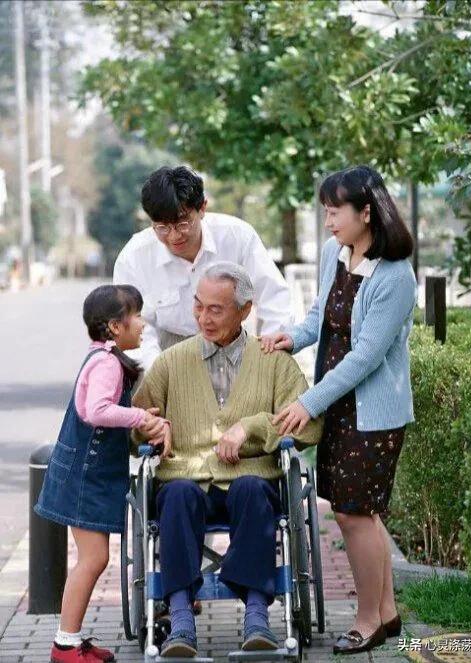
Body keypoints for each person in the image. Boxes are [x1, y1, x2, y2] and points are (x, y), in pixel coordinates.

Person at [260, 165, 417, 655]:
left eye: (334, 212)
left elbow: (367, 355)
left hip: (372, 413)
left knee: (354, 515)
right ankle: (388, 612)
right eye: (324, 212)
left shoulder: (395, 276)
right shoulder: (336, 253)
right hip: (336, 402)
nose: (327, 222)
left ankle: (368, 617)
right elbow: (319, 317)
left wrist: (308, 402)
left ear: (366, 212)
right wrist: (294, 336)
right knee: (360, 513)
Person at [132, 262, 323, 659]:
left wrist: (252, 427)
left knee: (253, 489)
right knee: (179, 494)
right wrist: (153, 426)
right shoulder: (171, 361)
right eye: (198, 306)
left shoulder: (273, 360)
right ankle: (181, 618)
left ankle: (256, 614)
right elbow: (138, 423)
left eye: (216, 309)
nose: (204, 317)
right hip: (186, 476)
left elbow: (308, 427)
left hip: (249, 477)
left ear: (245, 310)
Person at [35, 285, 169, 663]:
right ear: (114, 326)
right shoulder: (107, 363)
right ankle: (65, 645)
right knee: (92, 560)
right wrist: (141, 417)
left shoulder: (104, 357)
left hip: (86, 475)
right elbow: (97, 411)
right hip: (84, 477)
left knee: (92, 558)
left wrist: (142, 420)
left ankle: (70, 639)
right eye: (137, 315)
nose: (142, 323)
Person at [113, 165, 293, 371]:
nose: (174, 236)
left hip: (230, 345)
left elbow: (274, 298)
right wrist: (157, 372)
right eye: (162, 227)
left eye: (182, 223)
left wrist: (267, 354)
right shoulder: (134, 257)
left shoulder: (237, 236)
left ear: (202, 209)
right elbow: (136, 327)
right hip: (165, 351)